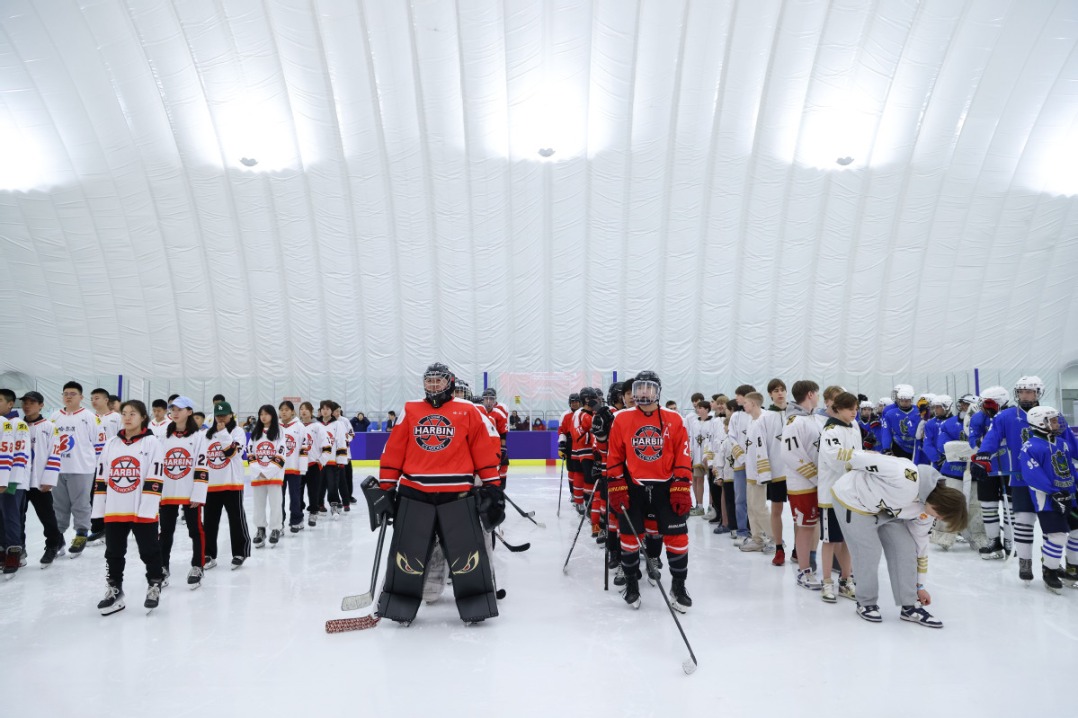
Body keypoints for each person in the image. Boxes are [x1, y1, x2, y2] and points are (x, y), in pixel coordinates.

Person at [374, 363, 503, 625]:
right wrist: (386, 487)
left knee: (468, 554)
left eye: (438, 381)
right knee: (406, 553)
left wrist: (492, 486)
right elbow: (394, 449)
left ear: (450, 383)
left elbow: (482, 450)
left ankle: (476, 603)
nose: (433, 386)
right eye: (429, 381)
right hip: (414, 494)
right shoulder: (410, 409)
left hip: (457, 495)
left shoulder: (468, 410)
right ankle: (399, 605)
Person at [832, 453, 968, 627]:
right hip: (853, 498)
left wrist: (919, 587)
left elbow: (920, 547)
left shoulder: (926, 513)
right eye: (941, 515)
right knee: (869, 550)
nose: (939, 519)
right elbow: (861, 457)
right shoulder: (904, 475)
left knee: (905, 548)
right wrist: (851, 473)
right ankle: (865, 603)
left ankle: (910, 606)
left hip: (885, 509)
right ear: (940, 503)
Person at [974, 376, 1075, 584]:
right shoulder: (1005, 416)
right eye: (1021, 391)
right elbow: (992, 437)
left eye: (1029, 391)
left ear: (1038, 393)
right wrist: (984, 456)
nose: (1025, 395)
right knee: (1023, 521)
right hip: (1020, 478)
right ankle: (1025, 562)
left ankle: (1051, 564)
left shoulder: (1054, 416)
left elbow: (1069, 444)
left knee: (1053, 525)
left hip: (1052, 480)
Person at [606, 371, 693, 612]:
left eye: (648, 388)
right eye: (639, 388)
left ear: (658, 391)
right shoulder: (622, 419)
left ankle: (678, 585)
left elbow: (683, 454)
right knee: (630, 539)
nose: (643, 392)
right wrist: (616, 485)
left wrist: (681, 486)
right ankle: (632, 583)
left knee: (677, 538)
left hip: (665, 486)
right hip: (634, 487)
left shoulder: (674, 419)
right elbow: (614, 456)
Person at [92, 400, 166, 615]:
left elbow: (155, 478)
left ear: (143, 417)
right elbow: (101, 477)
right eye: (124, 413)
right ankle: (114, 588)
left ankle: (154, 583)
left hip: (141, 508)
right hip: (115, 508)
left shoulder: (152, 443)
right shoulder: (111, 443)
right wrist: (99, 509)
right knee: (113, 552)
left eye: (133, 413)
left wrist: (147, 507)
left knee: (149, 550)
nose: (127, 417)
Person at [1016, 406, 1078, 592]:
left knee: (1076, 533)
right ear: (1040, 422)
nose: (1057, 423)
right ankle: (1049, 570)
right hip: (1048, 500)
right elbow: (1032, 475)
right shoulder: (1031, 446)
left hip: (1070, 497)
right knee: (1057, 537)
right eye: (1052, 420)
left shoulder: (1062, 443)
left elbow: (1070, 469)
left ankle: (1072, 569)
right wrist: (1053, 492)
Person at [49, 381, 104, 558]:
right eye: (66, 393)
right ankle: (58, 538)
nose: (69, 396)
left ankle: (81, 533)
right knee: (58, 506)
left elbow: (99, 444)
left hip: (82, 469)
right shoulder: (55, 416)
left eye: (73, 393)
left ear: (81, 397)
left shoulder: (89, 417)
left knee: (80, 504)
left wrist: (94, 467)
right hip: (58, 469)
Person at [158, 397, 209, 588]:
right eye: (172, 409)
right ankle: (162, 566)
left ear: (189, 412)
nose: (175, 412)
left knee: (195, 530)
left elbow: (202, 466)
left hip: (189, 492)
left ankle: (198, 565)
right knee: (166, 532)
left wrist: (198, 494)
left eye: (180, 409)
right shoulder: (164, 436)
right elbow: (157, 465)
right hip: (168, 491)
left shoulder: (198, 437)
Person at [815, 391, 860, 601]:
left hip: (850, 494)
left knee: (847, 541)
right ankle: (826, 582)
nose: (854, 412)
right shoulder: (830, 430)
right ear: (838, 409)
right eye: (850, 409)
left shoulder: (855, 427)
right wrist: (862, 457)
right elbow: (835, 458)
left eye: (856, 409)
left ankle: (846, 579)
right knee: (830, 540)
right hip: (831, 495)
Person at [781, 380, 826, 590]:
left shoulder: (815, 419)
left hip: (818, 484)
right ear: (810, 394)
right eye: (816, 393)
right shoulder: (794, 422)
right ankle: (803, 570)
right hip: (803, 485)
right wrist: (817, 477)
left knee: (813, 525)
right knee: (805, 527)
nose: (818, 397)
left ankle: (809, 565)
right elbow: (791, 455)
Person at [202, 402, 251, 570]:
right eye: (218, 415)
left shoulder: (237, 432)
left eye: (224, 415)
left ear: (231, 415)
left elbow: (230, 453)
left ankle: (240, 552)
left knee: (236, 520)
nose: (221, 418)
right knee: (209, 522)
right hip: (211, 485)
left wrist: (223, 432)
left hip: (231, 483)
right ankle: (208, 554)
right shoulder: (207, 434)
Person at [17, 392, 64, 565]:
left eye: (32, 402)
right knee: (18, 517)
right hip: (20, 481)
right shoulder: (17, 426)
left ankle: (53, 545)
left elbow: (55, 453)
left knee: (47, 516)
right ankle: (19, 548)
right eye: (25, 402)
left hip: (39, 481)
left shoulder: (49, 427)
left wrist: (49, 479)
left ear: (41, 405)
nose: (27, 405)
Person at [247, 404, 286, 548]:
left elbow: (281, 453)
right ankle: (260, 529)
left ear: (272, 415)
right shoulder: (255, 433)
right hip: (258, 475)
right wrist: (259, 471)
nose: (263, 417)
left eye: (266, 414)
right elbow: (250, 453)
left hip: (274, 475)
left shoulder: (279, 432)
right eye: (261, 414)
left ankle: (275, 528)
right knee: (258, 504)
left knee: (276, 503)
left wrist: (268, 471)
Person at [0, 394, 30, 575]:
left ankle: (14, 552)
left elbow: (18, 453)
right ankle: (3, 551)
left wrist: (6, 480)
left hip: (12, 480)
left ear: (10, 404)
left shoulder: (17, 424)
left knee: (11, 518)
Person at [727, 385, 756, 544]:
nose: (736, 399)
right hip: (740, 464)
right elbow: (732, 437)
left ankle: (757, 531)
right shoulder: (736, 416)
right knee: (740, 500)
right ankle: (742, 531)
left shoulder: (760, 415)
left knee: (756, 500)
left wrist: (752, 459)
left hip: (756, 464)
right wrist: (743, 458)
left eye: (738, 395)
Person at [278, 401, 307, 534]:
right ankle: (279, 522)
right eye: (281, 409)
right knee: (279, 497)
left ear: (292, 412)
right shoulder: (275, 427)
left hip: (294, 468)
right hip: (278, 469)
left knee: (295, 496)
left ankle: (297, 520)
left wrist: (302, 467)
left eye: (287, 410)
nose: (284, 412)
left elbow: (303, 448)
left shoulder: (299, 426)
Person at [299, 402, 326, 527]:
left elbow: (327, 445)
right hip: (298, 465)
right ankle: (298, 511)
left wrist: (321, 461)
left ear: (311, 411)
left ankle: (313, 511)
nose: (303, 411)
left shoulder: (318, 426)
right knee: (297, 491)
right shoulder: (296, 426)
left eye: (306, 409)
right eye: (301, 409)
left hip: (313, 464)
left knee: (313, 490)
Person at [880, 384, 919, 459]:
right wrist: (886, 448)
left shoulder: (919, 412)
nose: (904, 403)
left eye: (907, 401)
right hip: (899, 446)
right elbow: (886, 432)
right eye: (902, 400)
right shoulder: (890, 413)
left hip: (916, 447)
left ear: (911, 399)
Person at [558, 393, 583, 508]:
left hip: (582, 442)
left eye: (576, 401)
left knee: (582, 471)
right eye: (573, 402)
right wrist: (562, 444)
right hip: (570, 443)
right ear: (569, 403)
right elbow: (562, 431)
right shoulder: (565, 415)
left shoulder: (584, 413)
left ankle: (582, 493)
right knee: (572, 470)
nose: (575, 403)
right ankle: (573, 493)